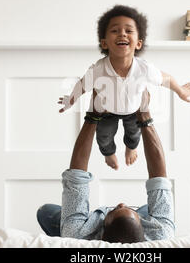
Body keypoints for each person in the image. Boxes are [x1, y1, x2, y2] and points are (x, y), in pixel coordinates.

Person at [58, 4, 190, 170]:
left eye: (128, 31)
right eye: (115, 30)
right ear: (104, 43)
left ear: (138, 43)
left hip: (133, 111)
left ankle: (130, 149)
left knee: (134, 134)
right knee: (103, 137)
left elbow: (165, 78)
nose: (122, 33)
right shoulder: (98, 69)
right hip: (106, 111)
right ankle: (109, 154)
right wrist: (70, 100)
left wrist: (180, 90)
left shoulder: (144, 69)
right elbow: (81, 85)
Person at [37, 91, 175, 242]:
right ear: (143, 228)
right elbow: (159, 178)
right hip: (138, 224)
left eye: (117, 208)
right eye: (126, 208)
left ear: (101, 233)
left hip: (86, 228)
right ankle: (134, 214)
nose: (121, 203)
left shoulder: (77, 235)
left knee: (45, 212)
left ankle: (110, 217)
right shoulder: (161, 234)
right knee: (152, 208)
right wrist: (144, 115)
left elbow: (77, 176)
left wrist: (93, 115)